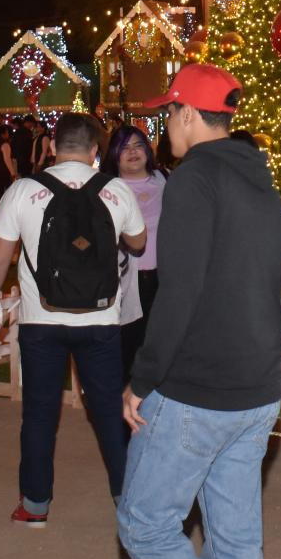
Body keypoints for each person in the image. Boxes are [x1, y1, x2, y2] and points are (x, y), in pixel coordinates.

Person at [116, 66, 281, 559]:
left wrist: (142, 377)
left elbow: (179, 291)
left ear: (190, 113)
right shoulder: (261, 180)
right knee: (237, 545)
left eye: (169, 114)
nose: (165, 126)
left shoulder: (192, 180)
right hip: (257, 385)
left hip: (200, 388)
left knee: (144, 524)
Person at [0, 112, 144, 527]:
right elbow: (138, 243)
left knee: (39, 412)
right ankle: (129, 500)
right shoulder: (116, 190)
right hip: (102, 320)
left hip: (41, 322)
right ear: (95, 151)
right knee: (108, 411)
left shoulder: (22, 190)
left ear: (51, 146)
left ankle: (35, 503)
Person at [106, 123, 168, 377]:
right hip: (125, 281)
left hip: (164, 279)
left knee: (162, 346)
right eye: (124, 147)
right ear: (114, 155)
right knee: (128, 348)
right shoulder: (108, 189)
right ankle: (125, 411)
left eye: (138, 145)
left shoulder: (166, 179)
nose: (133, 152)